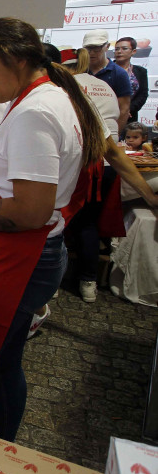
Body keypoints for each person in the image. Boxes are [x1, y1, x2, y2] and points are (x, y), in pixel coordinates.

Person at [0, 18, 109, 449]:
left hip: (20, 256)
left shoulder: (35, 111)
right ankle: (1, 455)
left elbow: (31, 211)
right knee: (2, 363)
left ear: (16, 61)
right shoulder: (47, 98)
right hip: (36, 253)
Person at [55, 46, 158, 303]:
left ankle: (52, 283)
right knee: (88, 226)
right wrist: (149, 196)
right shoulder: (104, 86)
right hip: (104, 167)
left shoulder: (66, 90)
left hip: (80, 167)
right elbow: (118, 129)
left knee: (58, 225)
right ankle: (87, 280)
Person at [83, 29, 132, 132]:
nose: (91, 53)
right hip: (82, 128)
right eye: (88, 49)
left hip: (107, 129)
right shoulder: (79, 71)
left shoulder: (118, 74)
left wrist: (114, 134)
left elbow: (124, 109)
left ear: (107, 46)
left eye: (96, 49)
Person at [113, 37, 148, 124]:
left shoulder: (140, 71)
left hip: (130, 117)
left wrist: (128, 110)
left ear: (133, 51)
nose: (119, 51)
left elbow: (143, 94)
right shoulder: (107, 69)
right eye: (117, 49)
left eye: (124, 48)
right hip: (108, 115)